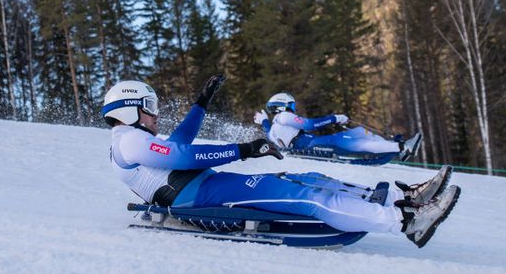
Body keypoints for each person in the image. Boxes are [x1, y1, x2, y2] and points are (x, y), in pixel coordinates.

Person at [105, 75, 459, 248]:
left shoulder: (137, 142)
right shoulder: (129, 140)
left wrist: (201, 102)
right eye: (149, 107)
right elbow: (182, 155)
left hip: (207, 187)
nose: (155, 115)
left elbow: (179, 141)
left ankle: (404, 199)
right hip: (200, 196)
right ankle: (405, 221)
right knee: (305, 196)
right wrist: (243, 150)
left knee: (308, 176)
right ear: (129, 109)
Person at [254, 92, 421, 161]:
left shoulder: (274, 129)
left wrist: (263, 121)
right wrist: (335, 118)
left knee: (356, 133)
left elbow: (268, 131)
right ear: (283, 105)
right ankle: (401, 147)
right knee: (349, 139)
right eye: (291, 105)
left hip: (308, 147)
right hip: (311, 145)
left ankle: (393, 148)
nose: (293, 109)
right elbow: (310, 124)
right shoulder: (283, 116)